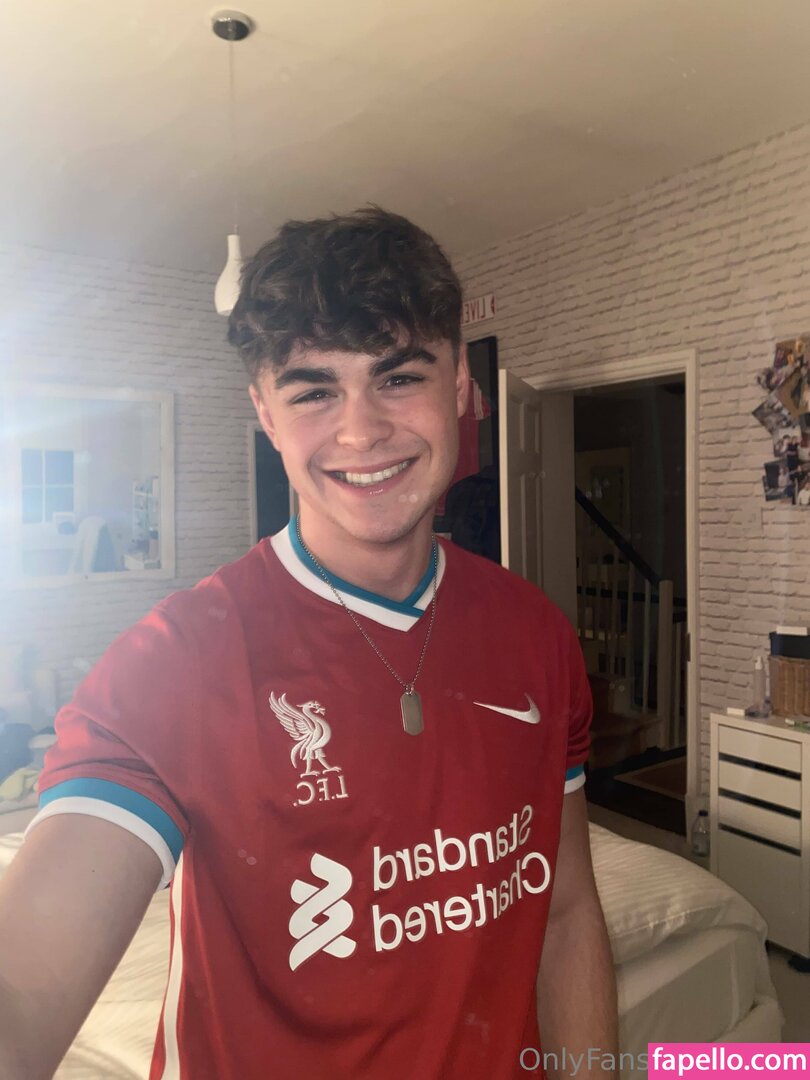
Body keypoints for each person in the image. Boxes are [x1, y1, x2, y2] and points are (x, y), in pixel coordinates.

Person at [0, 207, 617, 1080]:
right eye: (313, 391)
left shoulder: (537, 634)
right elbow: (21, 990)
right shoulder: (176, 663)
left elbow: (565, 913)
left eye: (399, 377)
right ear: (264, 412)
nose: (362, 432)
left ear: (461, 386)